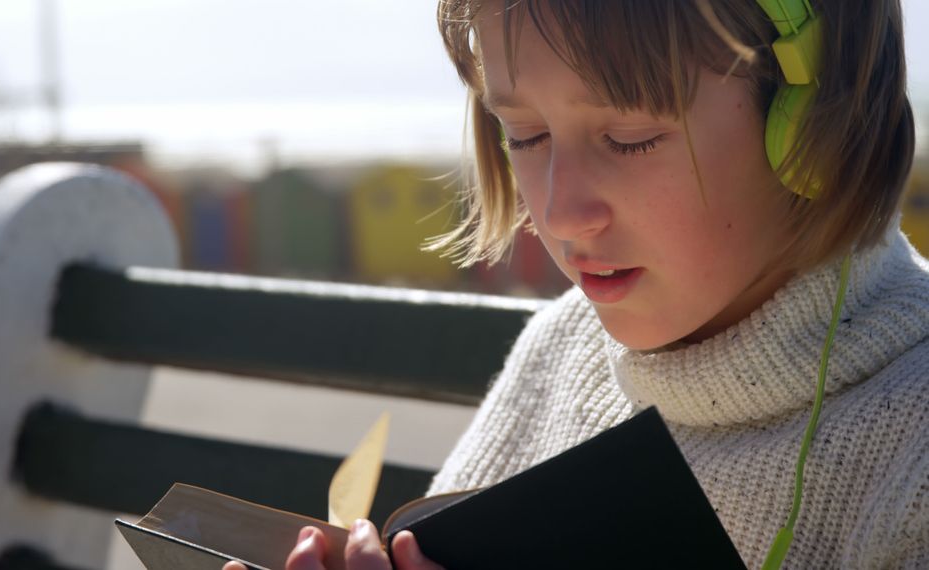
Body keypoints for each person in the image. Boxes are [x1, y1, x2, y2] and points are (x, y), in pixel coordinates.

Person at [227, 0, 926, 568]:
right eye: (525, 135)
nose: (559, 213)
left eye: (628, 139)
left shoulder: (910, 450)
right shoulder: (561, 347)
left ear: (814, 129)